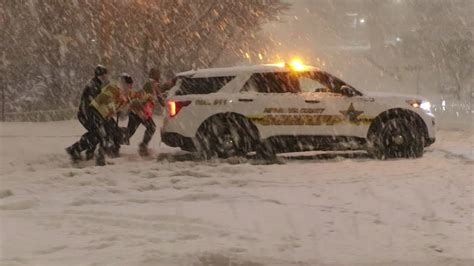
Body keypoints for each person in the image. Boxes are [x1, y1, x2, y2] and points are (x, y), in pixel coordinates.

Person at [67, 73, 132, 166]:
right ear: (122, 83)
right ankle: (88, 153)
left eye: (129, 86)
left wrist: (121, 109)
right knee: (102, 134)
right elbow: (103, 100)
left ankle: (80, 151)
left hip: (103, 115)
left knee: (103, 134)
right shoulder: (113, 88)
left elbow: (119, 112)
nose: (128, 89)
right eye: (127, 86)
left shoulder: (121, 95)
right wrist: (114, 107)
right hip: (93, 113)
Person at [126, 67, 176, 156]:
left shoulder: (153, 84)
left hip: (142, 112)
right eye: (157, 74)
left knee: (144, 128)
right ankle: (113, 143)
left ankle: (142, 146)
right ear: (153, 75)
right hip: (139, 111)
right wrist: (171, 84)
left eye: (159, 74)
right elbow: (157, 93)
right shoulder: (150, 84)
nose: (159, 75)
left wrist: (164, 102)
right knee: (132, 131)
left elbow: (159, 95)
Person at [66, 65, 108, 161]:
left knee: (96, 135)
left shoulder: (96, 85)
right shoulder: (93, 86)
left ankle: (82, 151)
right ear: (100, 76)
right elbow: (91, 104)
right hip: (87, 115)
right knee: (99, 134)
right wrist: (93, 117)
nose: (106, 78)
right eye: (104, 76)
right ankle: (78, 150)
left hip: (89, 115)